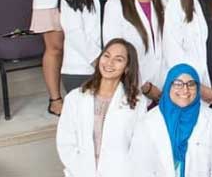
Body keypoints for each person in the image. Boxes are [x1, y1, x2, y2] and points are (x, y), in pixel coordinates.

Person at [56, 39, 145, 176]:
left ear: (127, 68)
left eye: (118, 59)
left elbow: (139, 147)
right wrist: (81, 171)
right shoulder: (75, 98)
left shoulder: (138, 102)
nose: (109, 63)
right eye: (106, 56)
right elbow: (65, 142)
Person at [129, 63, 212, 176]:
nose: (185, 89)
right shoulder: (147, 123)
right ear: (168, 86)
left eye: (191, 84)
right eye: (178, 84)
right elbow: (139, 169)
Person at [104, 0, 165, 104]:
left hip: (167, 86)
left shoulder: (164, 0)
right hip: (135, 90)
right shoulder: (115, 6)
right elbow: (115, 53)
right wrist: (145, 87)